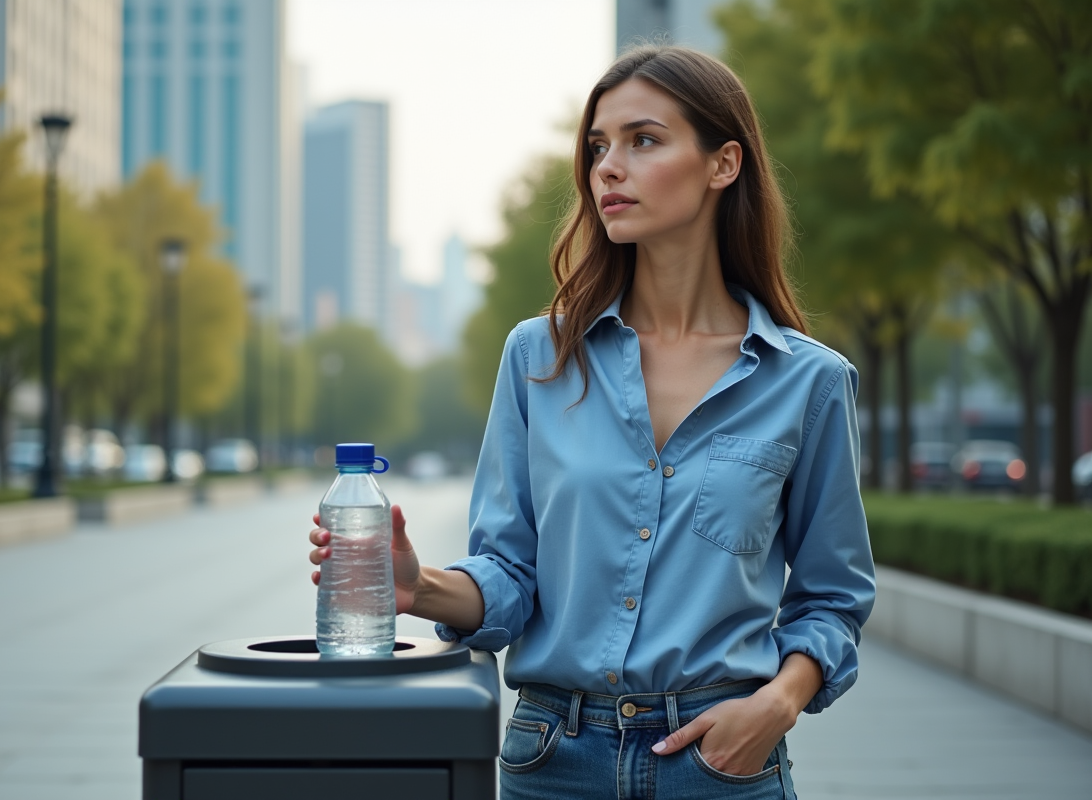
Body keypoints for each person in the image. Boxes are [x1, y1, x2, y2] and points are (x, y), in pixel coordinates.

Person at [309, 44, 875, 800]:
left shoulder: (808, 381)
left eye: (643, 140)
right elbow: (510, 574)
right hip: (552, 760)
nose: (608, 167)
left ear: (723, 164)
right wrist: (419, 583)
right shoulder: (539, 357)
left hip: (720, 760)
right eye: (598, 147)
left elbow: (832, 595)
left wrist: (776, 705)